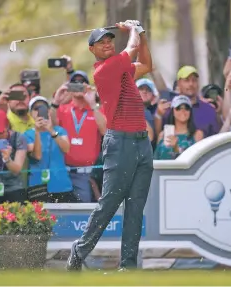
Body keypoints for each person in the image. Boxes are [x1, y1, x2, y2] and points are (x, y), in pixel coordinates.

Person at [66, 20, 153, 271]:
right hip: (120, 142)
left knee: (136, 207)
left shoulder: (123, 69)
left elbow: (147, 64)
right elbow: (133, 48)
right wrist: (135, 30)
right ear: (92, 49)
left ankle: (128, 266)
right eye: (100, 42)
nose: (107, 43)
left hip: (141, 142)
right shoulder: (105, 69)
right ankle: (79, 250)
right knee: (110, 203)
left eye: (110, 40)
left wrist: (142, 35)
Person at [24, 96, 75, 203]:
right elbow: (37, 156)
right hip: (38, 186)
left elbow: (66, 149)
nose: (39, 111)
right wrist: (37, 131)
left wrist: (51, 130)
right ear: (30, 113)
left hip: (61, 184)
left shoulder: (59, 131)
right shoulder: (27, 134)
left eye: (42, 108)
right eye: (35, 108)